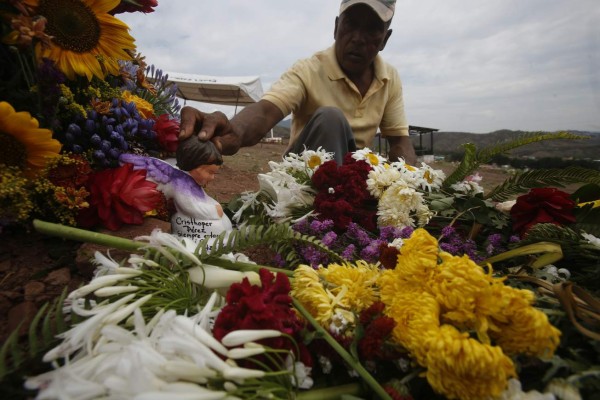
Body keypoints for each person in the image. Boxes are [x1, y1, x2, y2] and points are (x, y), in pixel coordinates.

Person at [179, 0, 417, 165]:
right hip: (302, 179)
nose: (357, 38)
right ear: (336, 27)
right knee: (331, 119)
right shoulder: (309, 69)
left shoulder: (389, 77)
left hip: (354, 180)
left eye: (372, 30)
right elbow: (266, 110)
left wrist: (405, 184)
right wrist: (234, 131)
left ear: (385, 39)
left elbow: (399, 142)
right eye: (351, 24)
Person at [119, 137, 232, 244]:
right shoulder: (180, 182)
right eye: (210, 172)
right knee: (214, 227)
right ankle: (203, 244)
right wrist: (213, 210)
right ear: (196, 168)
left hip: (194, 214)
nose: (212, 177)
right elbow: (189, 207)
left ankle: (224, 238)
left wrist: (215, 206)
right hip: (185, 218)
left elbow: (203, 197)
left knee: (223, 223)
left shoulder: (193, 181)